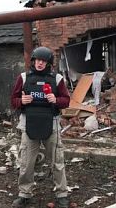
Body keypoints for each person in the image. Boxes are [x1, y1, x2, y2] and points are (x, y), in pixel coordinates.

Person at [10, 47, 71, 208]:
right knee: (26, 162)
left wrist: (56, 100)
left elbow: (66, 100)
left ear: (48, 63)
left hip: (51, 124)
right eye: (37, 60)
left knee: (57, 161)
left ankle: (62, 194)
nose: (39, 63)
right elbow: (13, 100)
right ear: (33, 61)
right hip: (28, 123)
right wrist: (21, 101)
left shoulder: (57, 79)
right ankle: (24, 193)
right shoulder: (23, 78)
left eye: (43, 61)